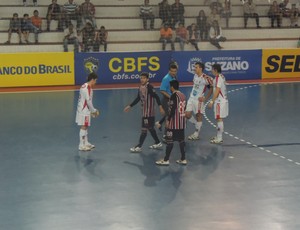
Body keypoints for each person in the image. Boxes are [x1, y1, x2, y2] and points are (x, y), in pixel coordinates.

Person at [124, 72, 165, 153]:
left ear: (147, 79)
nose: (142, 79)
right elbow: (138, 98)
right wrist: (130, 106)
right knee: (150, 128)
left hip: (149, 112)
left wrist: (160, 107)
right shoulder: (140, 87)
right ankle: (158, 142)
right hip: (144, 111)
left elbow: (156, 97)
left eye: (144, 78)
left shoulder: (149, 87)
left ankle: (139, 146)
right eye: (141, 78)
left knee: (144, 129)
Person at [156, 80, 187, 166]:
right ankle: (183, 158)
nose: (170, 88)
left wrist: (168, 120)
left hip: (174, 123)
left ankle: (166, 160)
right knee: (181, 141)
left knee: (169, 141)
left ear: (172, 87)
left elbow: (172, 110)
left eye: (170, 86)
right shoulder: (183, 95)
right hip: (181, 123)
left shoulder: (173, 96)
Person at [185, 62, 213, 141]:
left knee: (199, 115)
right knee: (187, 115)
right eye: (194, 67)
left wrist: (206, 98)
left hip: (199, 100)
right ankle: (197, 124)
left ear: (201, 68)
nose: (194, 68)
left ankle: (196, 134)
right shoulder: (195, 76)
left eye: (196, 67)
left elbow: (211, 87)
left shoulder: (206, 78)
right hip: (191, 98)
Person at [75, 72, 99, 151]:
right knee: (84, 126)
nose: (95, 82)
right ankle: (81, 145)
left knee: (86, 126)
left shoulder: (86, 86)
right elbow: (88, 101)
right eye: (95, 80)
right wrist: (94, 110)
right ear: (92, 79)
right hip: (84, 110)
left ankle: (86, 142)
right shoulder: (86, 88)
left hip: (85, 109)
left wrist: (91, 111)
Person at [156, 62, 178, 140]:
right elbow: (162, 90)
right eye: (172, 71)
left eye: (175, 71)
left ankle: (159, 123)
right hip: (166, 100)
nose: (173, 73)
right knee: (169, 118)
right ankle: (165, 135)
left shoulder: (174, 77)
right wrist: (171, 97)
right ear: (169, 71)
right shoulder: (166, 79)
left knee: (170, 115)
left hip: (172, 99)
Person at [208, 63, 229, 144]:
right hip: (223, 100)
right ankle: (218, 135)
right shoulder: (222, 76)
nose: (211, 71)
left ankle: (219, 138)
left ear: (215, 70)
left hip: (220, 101)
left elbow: (217, 90)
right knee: (219, 119)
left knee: (219, 119)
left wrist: (212, 101)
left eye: (212, 69)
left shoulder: (217, 78)